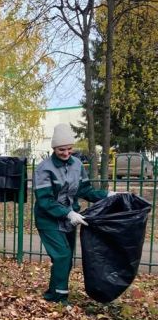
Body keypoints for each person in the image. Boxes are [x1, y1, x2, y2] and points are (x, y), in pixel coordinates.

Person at [33, 123, 114, 304]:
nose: (66, 153)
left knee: (66, 258)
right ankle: (59, 299)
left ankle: (53, 293)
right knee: (62, 255)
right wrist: (68, 213)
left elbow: (85, 190)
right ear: (54, 148)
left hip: (70, 219)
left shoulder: (77, 164)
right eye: (62, 149)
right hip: (49, 219)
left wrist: (107, 196)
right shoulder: (44, 169)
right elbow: (45, 200)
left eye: (70, 148)